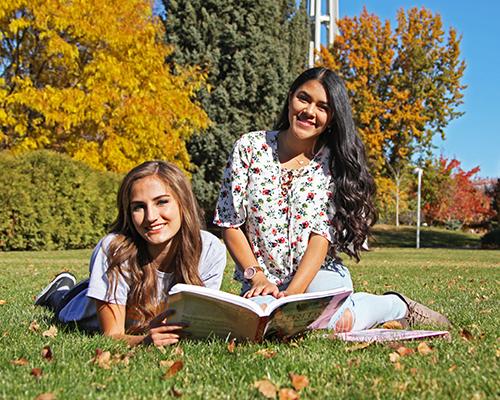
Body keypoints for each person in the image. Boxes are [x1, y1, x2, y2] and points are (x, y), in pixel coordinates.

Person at [214, 67, 449, 332]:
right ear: (290, 97)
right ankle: (336, 309)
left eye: (322, 107)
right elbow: (230, 222)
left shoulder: (333, 163)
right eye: (303, 98)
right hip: (262, 279)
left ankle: (395, 305)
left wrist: (294, 295)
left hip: (318, 277)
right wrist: (255, 276)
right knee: (265, 326)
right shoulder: (250, 147)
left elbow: (320, 237)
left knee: (330, 323)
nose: (309, 112)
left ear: (332, 117)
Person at [35, 161, 226, 346]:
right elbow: (112, 335)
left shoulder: (210, 249)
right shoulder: (114, 249)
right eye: (139, 207)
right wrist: (145, 341)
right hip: (81, 308)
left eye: (162, 202)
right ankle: (58, 291)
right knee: (61, 302)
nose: (151, 217)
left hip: (130, 302)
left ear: (183, 203)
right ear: (128, 212)